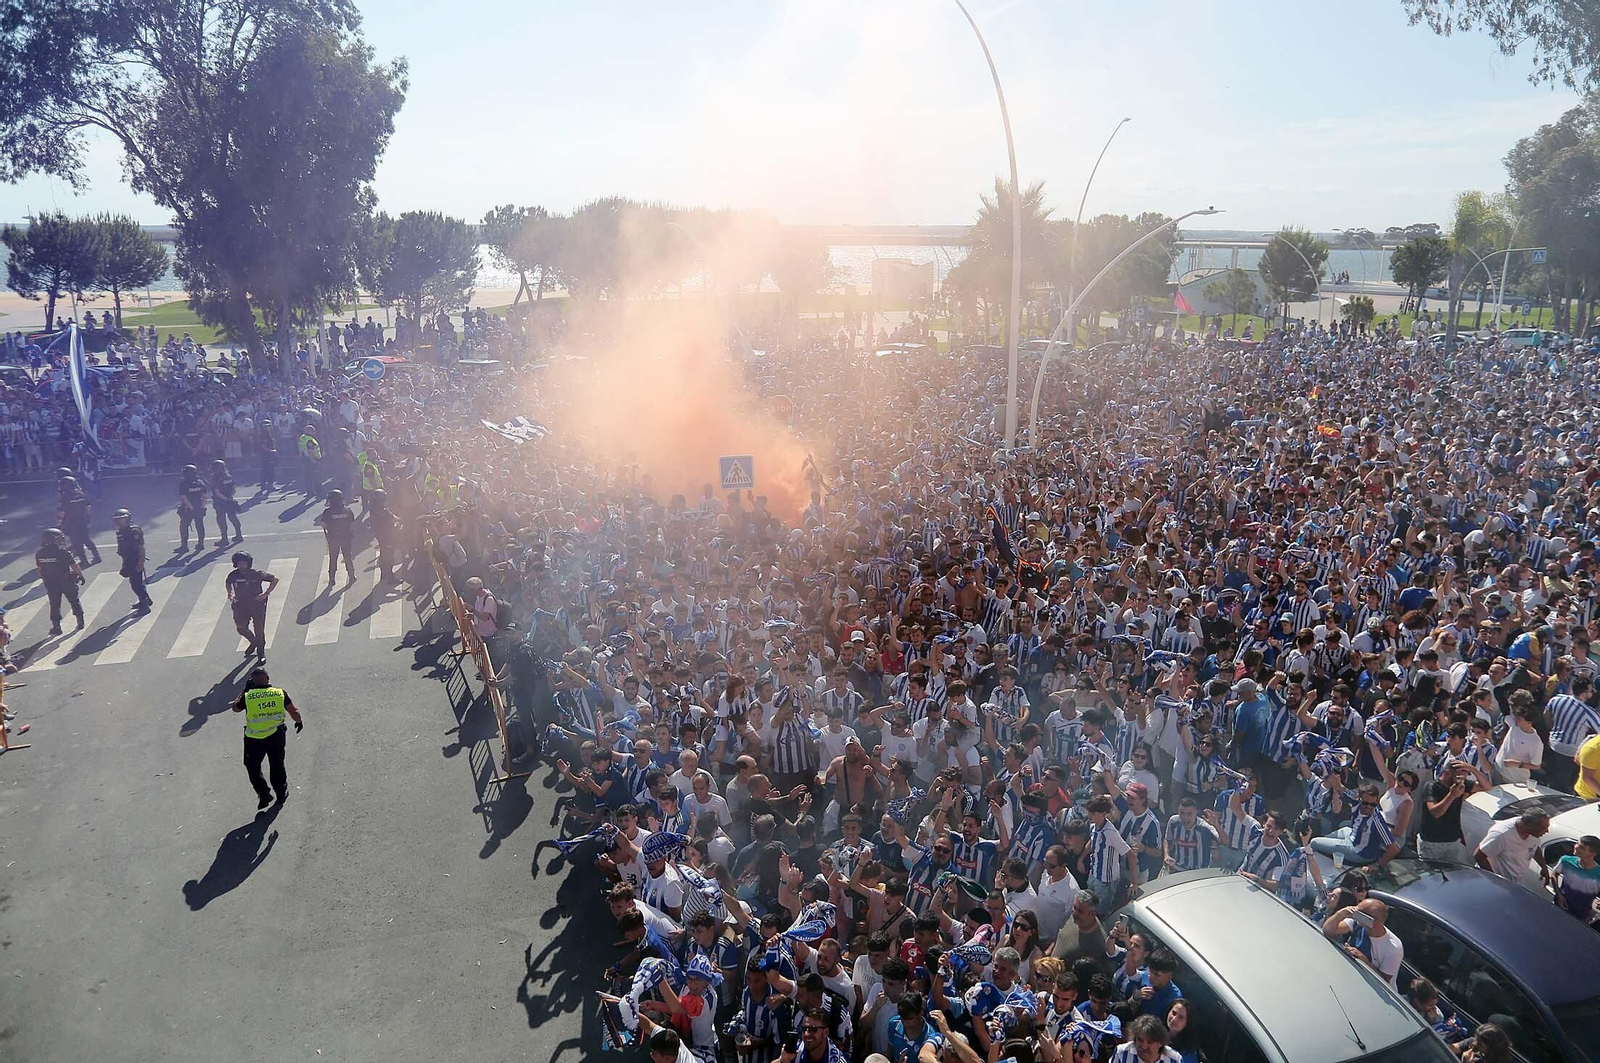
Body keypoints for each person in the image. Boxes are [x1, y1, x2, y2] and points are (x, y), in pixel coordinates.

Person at [229, 668, 304, 810]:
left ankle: (263, 793)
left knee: (252, 767)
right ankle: (281, 794)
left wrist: (244, 692)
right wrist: (299, 722)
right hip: (276, 735)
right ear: (268, 679)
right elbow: (293, 711)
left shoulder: (248, 696)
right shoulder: (279, 693)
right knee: (277, 765)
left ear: (252, 681)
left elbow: (235, 708)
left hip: (254, 739)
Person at [1321, 898, 1403, 987]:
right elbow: (1328, 930)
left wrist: (1363, 960)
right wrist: (1340, 914)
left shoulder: (1393, 948)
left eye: (1358, 912)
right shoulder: (1357, 923)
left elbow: (1384, 982)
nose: (1354, 914)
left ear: (1371, 919)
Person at [1472, 810, 1551, 884]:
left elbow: (1534, 847)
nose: (1547, 831)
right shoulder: (1501, 835)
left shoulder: (1533, 833)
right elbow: (1479, 855)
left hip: (1513, 882)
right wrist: (1495, 880)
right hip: (1493, 883)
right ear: (1530, 825)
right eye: (1543, 828)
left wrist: (1544, 867)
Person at [226, 552, 279, 661]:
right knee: (241, 628)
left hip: (257, 604)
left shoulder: (257, 574)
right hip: (240, 604)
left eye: (244, 563)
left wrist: (266, 593)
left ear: (248, 563)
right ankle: (253, 641)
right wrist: (230, 594)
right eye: (239, 563)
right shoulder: (233, 575)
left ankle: (261, 653)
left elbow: (274, 579)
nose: (242, 566)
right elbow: (228, 583)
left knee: (259, 630)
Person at [34, 528, 85, 635]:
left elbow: (40, 569)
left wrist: (45, 580)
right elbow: (74, 565)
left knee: (54, 604)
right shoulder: (63, 552)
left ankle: (56, 627)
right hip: (66, 582)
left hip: (51, 584)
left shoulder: (39, 554)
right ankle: (80, 622)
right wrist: (80, 575)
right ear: (53, 540)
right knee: (74, 601)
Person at [111, 509, 154, 612]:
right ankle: (146, 600)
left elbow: (141, 548)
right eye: (117, 519)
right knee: (136, 583)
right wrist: (124, 564)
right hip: (128, 560)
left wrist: (140, 562)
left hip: (135, 560)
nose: (118, 521)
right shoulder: (122, 531)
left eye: (121, 519)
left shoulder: (133, 531)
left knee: (135, 584)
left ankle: (145, 607)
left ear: (127, 519)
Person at [1552, 835, 1600, 924]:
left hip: (1581, 915)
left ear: (1592, 853)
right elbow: (1554, 874)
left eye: (1581, 847)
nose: (1576, 847)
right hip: (1560, 907)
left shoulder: (1598, 874)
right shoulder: (1566, 861)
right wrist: (1558, 894)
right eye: (1577, 843)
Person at [314, 489, 357, 585]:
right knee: (348, 557)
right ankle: (352, 576)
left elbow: (324, 524)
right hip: (346, 538)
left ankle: (332, 579)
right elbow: (352, 524)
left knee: (333, 558)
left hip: (333, 539)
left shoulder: (327, 512)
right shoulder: (348, 510)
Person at [56, 474, 99, 565]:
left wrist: (59, 524)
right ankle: (96, 556)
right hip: (83, 521)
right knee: (86, 539)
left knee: (76, 542)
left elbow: (62, 513)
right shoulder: (82, 494)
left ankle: (84, 560)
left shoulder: (65, 497)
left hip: (71, 523)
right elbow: (88, 506)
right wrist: (87, 518)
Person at [175, 463, 210, 552]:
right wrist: (202, 507)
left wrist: (191, 507)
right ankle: (201, 544)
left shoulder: (183, 483)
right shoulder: (200, 482)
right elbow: (205, 496)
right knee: (200, 525)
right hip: (199, 507)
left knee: (184, 526)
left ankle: (184, 546)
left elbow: (184, 497)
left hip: (188, 509)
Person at [210, 458, 244, 545]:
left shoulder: (216, 478)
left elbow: (217, 492)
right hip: (230, 500)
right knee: (233, 517)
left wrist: (225, 499)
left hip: (220, 502)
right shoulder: (228, 476)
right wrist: (230, 498)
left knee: (221, 520)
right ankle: (239, 535)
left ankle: (224, 539)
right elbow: (234, 488)